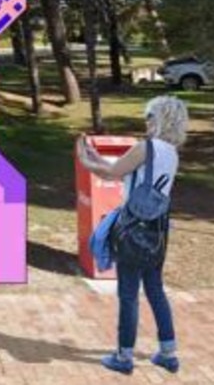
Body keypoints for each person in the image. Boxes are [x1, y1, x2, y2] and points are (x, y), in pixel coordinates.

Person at [76, 95, 186, 375]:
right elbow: (128, 173)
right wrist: (97, 158)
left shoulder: (145, 147)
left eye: (149, 116)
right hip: (158, 232)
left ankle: (124, 357)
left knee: (128, 294)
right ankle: (168, 353)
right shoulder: (171, 153)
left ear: (159, 118)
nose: (145, 121)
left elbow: (113, 173)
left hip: (133, 230)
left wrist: (84, 160)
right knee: (155, 290)